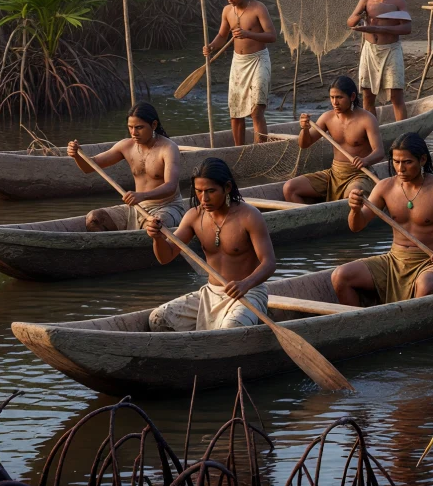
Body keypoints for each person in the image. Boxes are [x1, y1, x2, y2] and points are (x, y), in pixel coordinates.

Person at [330, 133, 433, 306]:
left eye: (407, 162)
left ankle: (415, 327)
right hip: (394, 260)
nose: (400, 168)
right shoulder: (385, 187)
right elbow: (356, 226)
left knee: (427, 285)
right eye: (396, 162)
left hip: (429, 263)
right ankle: (359, 324)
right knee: (340, 276)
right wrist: (355, 209)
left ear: (422, 160)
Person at [146, 158, 276, 331]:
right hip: (210, 293)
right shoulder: (194, 216)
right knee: (158, 319)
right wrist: (157, 238)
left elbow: (269, 263)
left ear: (227, 188)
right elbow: (165, 257)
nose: (204, 198)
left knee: (231, 328)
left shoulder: (249, 216)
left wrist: (245, 283)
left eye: (210, 191)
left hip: (247, 293)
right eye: (199, 191)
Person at [67, 103, 185, 232]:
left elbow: (171, 186)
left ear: (154, 125)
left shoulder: (168, 148)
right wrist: (77, 155)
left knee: (153, 227)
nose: (134, 133)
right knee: (94, 218)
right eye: (130, 127)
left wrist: (142, 196)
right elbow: (89, 167)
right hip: (137, 207)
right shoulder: (126, 146)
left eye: (139, 127)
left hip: (168, 207)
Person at [282, 76, 384, 203]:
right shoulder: (327, 118)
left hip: (360, 175)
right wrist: (305, 129)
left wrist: (365, 160)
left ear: (352, 97)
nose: (335, 102)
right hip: (334, 173)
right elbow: (304, 144)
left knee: (352, 196)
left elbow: (379, 152)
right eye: (332, 97)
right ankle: (313, 221)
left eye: (339, 97)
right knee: (289, 188)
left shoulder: (367, 119)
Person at [204, 0, 277, 146]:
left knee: (256, 110)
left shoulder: (258, 8)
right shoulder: (227, 11)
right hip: (238, 63)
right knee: (235, 112)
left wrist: (247, 34)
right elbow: (222, 36)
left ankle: (260, 150)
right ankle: (239, 150)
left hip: (258, 60)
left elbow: (272, 36)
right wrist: (211, 46)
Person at [347, 0, 411, 121]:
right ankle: (372, 130)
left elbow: (407, 28)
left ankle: (402, 132)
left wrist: (379, 28)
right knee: (368, 95)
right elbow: (350, 22)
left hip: (391, 50)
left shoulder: (397, 1)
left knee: (396, 95)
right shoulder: (366, 0)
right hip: (370, 51)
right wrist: (359, 16)